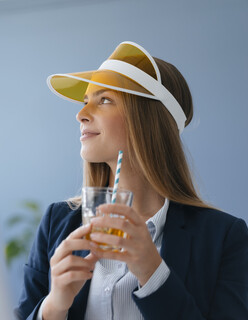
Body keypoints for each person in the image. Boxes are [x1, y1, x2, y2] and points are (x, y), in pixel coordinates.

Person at [14, 41, 248, 320]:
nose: (81, 114)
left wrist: (153, 273)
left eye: (104, 100)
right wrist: (54, 307)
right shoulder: (57, 222)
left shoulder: (224, 238)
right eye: (85, 101)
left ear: (148, 120)